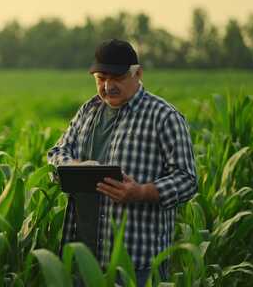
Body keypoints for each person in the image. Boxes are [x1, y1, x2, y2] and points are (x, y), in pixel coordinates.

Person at [47, 39, 197, 286]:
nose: (107, 86)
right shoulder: (89, 111)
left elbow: (187, 179)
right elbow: (57, 152)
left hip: (135, 262)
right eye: (100, 78)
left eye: (116, 77)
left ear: (137, 73)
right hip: (83, 257)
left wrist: (141, 192)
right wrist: (74, 166)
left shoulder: (164, 117)